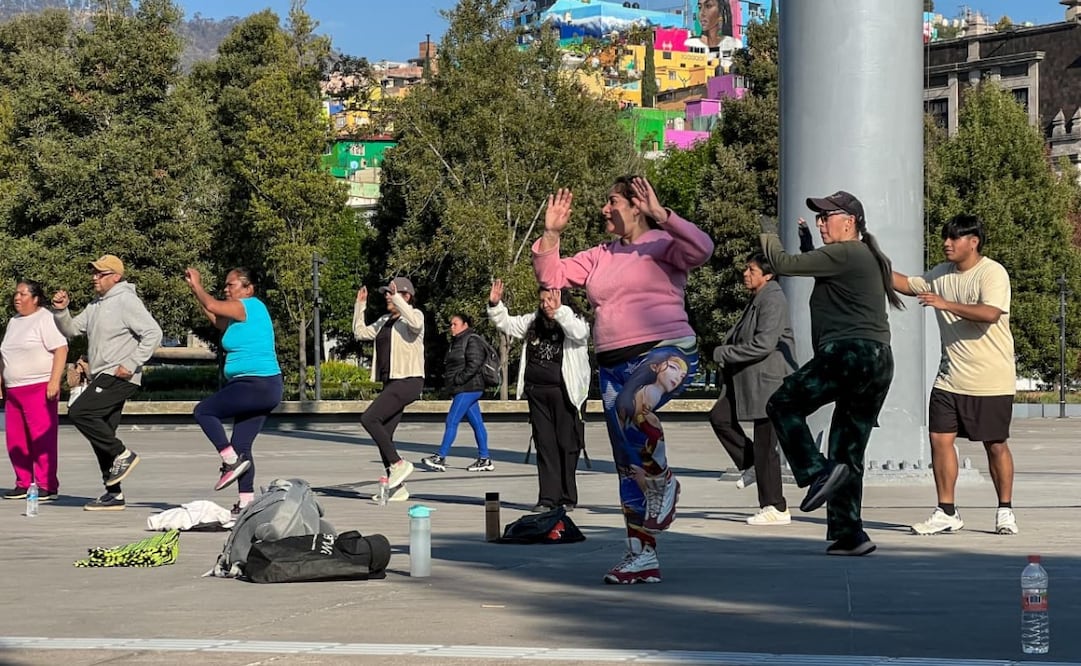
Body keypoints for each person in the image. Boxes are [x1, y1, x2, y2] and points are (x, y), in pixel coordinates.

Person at [533, 176, 713, 584]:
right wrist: (551, 233)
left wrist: (663, 215)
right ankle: (642, 557)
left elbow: (703, 249)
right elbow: (552, 278)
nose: (603, 209)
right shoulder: (600, 255)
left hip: (667, 351)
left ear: (635, 206)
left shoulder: (664, 245)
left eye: (611, 201)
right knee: (628, 465)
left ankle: (665, 481)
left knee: (636, 403)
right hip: (613, 365)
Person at [760, 191, 902, 556]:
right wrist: (810, 244)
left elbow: (783, 263)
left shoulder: (847, 251)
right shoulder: (861, 254)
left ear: (850, 221)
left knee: (783, 403)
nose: (821, 223)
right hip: (878, 360)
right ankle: (849, 534)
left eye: (827, 217)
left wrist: (765, 228)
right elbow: (815, 265)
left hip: (848, 354)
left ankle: (814, 471)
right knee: (847, 449)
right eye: (819, 218)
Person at [892, 215, 1018, 536]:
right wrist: (866, 257)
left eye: (954, 238)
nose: (946, 243)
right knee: (939, 440)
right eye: (945, 238)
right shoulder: (941, 274)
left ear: (973, 242)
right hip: (949, 378)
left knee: (995, 445)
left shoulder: (992, 273)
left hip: (991, 380)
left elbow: (990, 313)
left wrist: (945, 303)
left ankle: (1005, 509)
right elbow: (907, 284)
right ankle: (946, 510)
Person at [51, 254, 163, 511]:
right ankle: (113, 494)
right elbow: (71, 330)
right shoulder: (96, 305)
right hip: (102, 376)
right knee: (101, 434)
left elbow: (153, 333)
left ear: (115, 277)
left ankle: (123, 453)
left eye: (100, 273)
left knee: (79, 412)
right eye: (93, 272)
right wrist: (61, 310)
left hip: (119, 376)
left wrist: (132, 363)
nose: (94, 277)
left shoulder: (126, 301)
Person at [185, 267, 283, 513]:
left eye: (231, 285)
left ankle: (230, 461)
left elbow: (213, 304)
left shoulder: (248, 305)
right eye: (226, 286)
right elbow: (216, 318)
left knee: (204, 412)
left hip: (255, 384)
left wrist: (198, 285)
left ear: (248, 288)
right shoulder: (238, 316)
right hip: (264, 386)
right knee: (242, 443)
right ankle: (246, 503)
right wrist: (196, 293)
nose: (226, 289)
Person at [487, 279, 591, 512]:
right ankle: (547, 498)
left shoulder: (574, 320)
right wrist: (495, 305)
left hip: (566, 394)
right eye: (543, 300)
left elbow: (580, 333)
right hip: (538, 393)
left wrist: (560, 312)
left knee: (567, 444)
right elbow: (508, 324)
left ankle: (567, 496)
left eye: (551, 299)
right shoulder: (533, 321)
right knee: (545, 445)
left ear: (562, 299)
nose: (546, 304)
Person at [710, 253, 796, 525]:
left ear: (767, 274)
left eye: (751, 269)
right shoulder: (759, 298)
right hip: (748, 380)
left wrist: (725, 352)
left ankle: (776, 506)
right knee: (720, 417)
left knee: (766, 445)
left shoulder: (773, 299)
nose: (745, 273)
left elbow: (764, 344)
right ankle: (749, 464)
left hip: (768, 381)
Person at [353, 277, 423, 502]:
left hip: (409, 380)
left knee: (369, 419)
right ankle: (398, 488)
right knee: (385, 434)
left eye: (391, 293)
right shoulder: (385, 320)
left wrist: (399, 300)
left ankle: (399, 464)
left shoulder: (415, 315)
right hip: (392, 382)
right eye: (386, 293)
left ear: (406, 296)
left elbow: (415, 323)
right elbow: (361, 333)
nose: (386, 296)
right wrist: (360, 306)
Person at [1, 280, 68, 502]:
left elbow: (60, 349)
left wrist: (54, 381)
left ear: (35, 298)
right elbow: (6, 356)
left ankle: (46, 485)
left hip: (39, 387)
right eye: (16, 294)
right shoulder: (14, 322)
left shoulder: (45, 318)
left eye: (22, 294)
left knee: (42, 438)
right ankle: (23, 483)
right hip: (14, 390)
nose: (17, 298)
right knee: (16, 440)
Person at [420, 313, 494, 473]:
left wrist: (459, 379)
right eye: (451, 324)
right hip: (465, 388)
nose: (451, 327)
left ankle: (440, 457)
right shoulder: (457, 341)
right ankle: (485, 458)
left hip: (468, 388)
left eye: (455, 324)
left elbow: (474, 363)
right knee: (477, 423)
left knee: (452, 420)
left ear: (465, 325)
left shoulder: (471, 339)